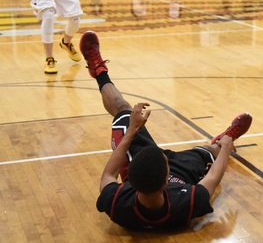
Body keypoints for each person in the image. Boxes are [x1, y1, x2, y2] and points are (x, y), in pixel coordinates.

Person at [79, 31, 252, 229]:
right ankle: (224, 139)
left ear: (131, 181)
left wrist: (132, 129)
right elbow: (214, 177)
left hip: (146, 168)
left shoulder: (118, 200)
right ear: (166, 181)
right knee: (215, 151)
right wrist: (227, 146)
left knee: (122, 107)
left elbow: (107, 176)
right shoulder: (187, 203)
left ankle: (99, 70)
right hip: (182, 171)